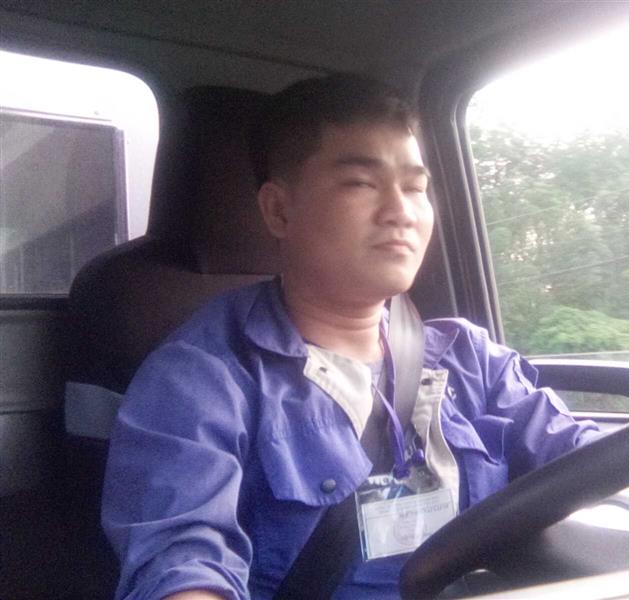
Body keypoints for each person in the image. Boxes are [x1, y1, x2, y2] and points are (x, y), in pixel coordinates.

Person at [101, 75, 600, 600]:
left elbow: (589, 459)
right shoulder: (202, 378)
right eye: (362, 183)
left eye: (415, 188)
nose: (401, 211)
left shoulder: (471, 360)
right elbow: (181, 562)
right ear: (279, 211)